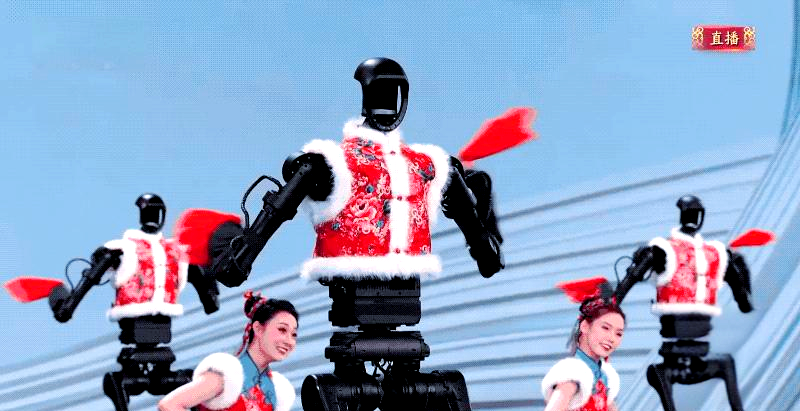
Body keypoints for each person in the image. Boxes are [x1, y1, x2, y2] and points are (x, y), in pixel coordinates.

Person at [158, 291, 299, 411]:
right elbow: (170, 405)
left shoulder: (274, 389)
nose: (289, 341)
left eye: (294, 334)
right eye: (282, 330)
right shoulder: (225, 377)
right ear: (258, 329)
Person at [542, 277, 625, 411]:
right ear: (585, 326)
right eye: (605, 328)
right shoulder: (572, 376)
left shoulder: (603, 377)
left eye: (618, 333)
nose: (611, 338)